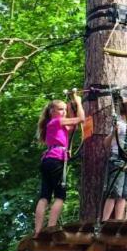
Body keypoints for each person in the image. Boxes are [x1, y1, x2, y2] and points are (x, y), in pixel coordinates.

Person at [33, 91, 85, 237]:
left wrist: (71, 107)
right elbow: (81, 119)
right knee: (60, 196)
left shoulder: (55, 124)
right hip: (56, 160)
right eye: (60, 109)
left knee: (45, 196)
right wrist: (79, 102)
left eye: (64, 110)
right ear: (52, 112)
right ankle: (50, 227)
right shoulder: (57, 121)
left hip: (47, 160)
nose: (63, 112)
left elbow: (72, 127)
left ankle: (37, 231)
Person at [101, 97, 127, 222]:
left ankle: (119, 220)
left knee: (125, 194)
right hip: (117, 160)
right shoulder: (120, 126)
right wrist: (113, 133)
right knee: (114, 192)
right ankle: (105, 220)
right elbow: (106, 144)